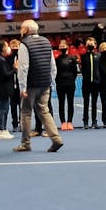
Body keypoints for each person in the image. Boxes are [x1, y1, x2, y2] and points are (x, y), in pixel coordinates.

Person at [13, 19, 64, 153]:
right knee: (44, 111)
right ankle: (56, 138)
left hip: (31, 85)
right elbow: (52, 65)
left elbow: (23, 67)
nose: (20, 31)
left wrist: (22, 87)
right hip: (45, 83)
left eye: (21, 28)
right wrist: (51, 81)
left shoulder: (24, 44)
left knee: (26, 112)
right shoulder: (46, 41)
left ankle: (25, 143)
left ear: (25, 30)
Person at [54, 40, 78, 131]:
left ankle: (70, 122)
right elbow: (55, 72)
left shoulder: (72, 58)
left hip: (70, 83)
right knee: (61, 103)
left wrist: (71, 79)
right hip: (60, 83)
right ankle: (63, 122)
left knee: (70, 102)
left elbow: (75, 72)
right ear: (59, 47)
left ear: (67, 47)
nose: (62, 47)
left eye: (64, 45)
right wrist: (58, 81)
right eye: (61, 45)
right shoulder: (57, 59)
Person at [78, 37, 101, 129]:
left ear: (95, 45)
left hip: (96, 83)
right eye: (89, 43)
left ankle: (94, 121)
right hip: (86, 83)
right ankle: (86, 121)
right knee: (86, 102)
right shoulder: (83, 56)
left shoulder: (98, 56)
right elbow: (82, 68)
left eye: (92, 43)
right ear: (86, 45)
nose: (91, 45)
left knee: (94, 103)